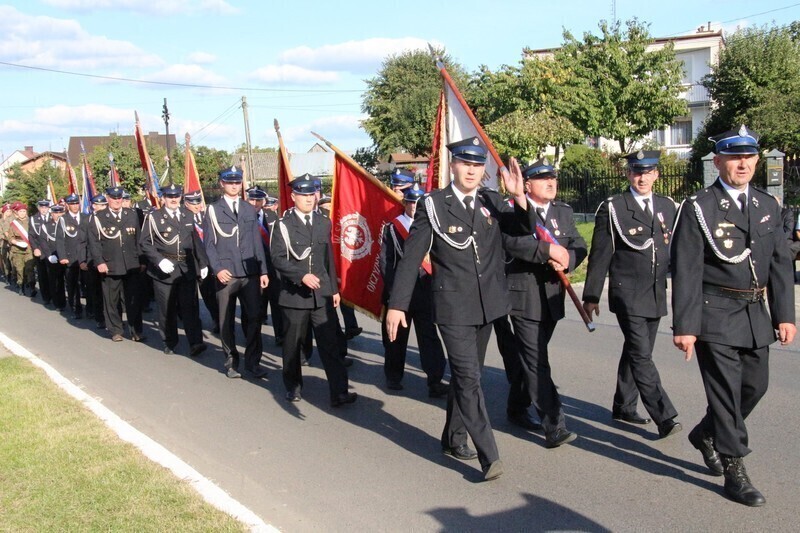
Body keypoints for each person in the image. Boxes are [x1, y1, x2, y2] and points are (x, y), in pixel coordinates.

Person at [385, 137, 532, 481]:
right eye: (466, 164)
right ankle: (489, 456)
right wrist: (397, 305)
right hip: (452, 307)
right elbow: (410, 259)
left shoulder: (492, 201)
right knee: (467, 378)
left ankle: (453, 438)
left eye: (478, 165)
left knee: (470, 378)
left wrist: (519, 197)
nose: (471, 171)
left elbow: (523, 233)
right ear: (453, 166)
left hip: (486, 306)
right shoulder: (433, 205)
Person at [672, 125, 796, 507]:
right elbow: (687, 269)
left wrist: (785, 314)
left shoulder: (766, 205)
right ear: (719, 161)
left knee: (755, 387)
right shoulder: (700, 207)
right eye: (734, 157)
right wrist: (686, 327)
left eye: (749, 157)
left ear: (757, 161)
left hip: (755, 312)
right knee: (725, 393)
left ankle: (707, 433)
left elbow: (779, 262)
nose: (743, 164)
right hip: (716, 314)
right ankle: (734, 468)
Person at [582, 150, 682, 439]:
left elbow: (675, 251)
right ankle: (664, 415)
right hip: (627, 293)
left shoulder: (667, 206)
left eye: (648, 172)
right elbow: (600, 254)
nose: (642, 177)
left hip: (655, 292)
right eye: (636, 172)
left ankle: (624, 405)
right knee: (641, 354)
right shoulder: (614, 206)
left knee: (639, 351)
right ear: (628, 174)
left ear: (656, 175)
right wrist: (591, 296)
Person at [500, 159, 587, 448]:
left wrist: (567, 258)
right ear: (527, 185)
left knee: (531, 359)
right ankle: (555, 424)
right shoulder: (512, 211)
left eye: (553, 178)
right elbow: (513, 243)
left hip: (551, 298)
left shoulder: (563, 211)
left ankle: (515, 407)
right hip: (523, 297)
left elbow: (578, 245)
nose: (551, 183)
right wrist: (546, 252)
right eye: (542, 179)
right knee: (537, 361)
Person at [270, 176, 356, 407]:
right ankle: (293, 386)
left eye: (312, 194)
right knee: (292, 345)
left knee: (331, 345)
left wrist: (334, 289)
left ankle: (339, 391)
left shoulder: (323, 222)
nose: (309, 199)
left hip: (321, 295)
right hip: (294, 296)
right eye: (304, 195)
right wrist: (300, 276)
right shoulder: (283, 225)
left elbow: (327, 258)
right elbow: (277, 259)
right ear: (294, 196)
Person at [380, 183, 449, 398]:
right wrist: (395, 293)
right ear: (405, 203)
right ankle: (393, 376)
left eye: (418, 202)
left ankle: (435, 379)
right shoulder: (393, 228)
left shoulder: (433, 226)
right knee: (396, 337)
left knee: (429, 337)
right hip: (401, 294)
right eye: (411, 201)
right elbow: (386, 262)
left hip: (427, 291)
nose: (414, 206)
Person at [203, 166, 270, 379]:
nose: (234, 185)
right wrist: (217, 269)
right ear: (222, 184)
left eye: (237, 182)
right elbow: (209, 245)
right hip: (226, 273)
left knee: (254, 318)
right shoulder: (213, 210)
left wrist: (263, 270)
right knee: (226, 319)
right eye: (229, 182)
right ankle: (231, 361)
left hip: (249, 273)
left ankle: (253, 361)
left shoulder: (249, 209)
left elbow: (257, 243)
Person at [140, 183, 208, 356]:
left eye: (176, 196)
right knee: (166, 309)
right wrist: (159, 260)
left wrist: (203, 263)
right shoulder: (154, 217)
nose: (173, 200)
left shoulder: (187, 214)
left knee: (190, 307)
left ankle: (196, 342)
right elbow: (145, 243)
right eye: (170, 197)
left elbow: (196, 242)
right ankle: (170, 341)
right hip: (164, 270)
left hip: (186, 268)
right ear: (163, 198)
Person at [87, 186, 146, 342]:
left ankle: (136, 330)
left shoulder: (131, 214)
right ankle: (115, 330)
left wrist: (142, 260)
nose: (117, 201)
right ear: (107, 198)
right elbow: (94, 243)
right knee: (111, 300)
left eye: (119, 198)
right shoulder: (98, 217)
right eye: (114, 198)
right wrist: (99, 262)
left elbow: (138, 239)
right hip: (110, 264)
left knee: (133, 299)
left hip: (131, 263)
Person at [184, 190, 219, 334]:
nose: (197, 205)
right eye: (193, 203)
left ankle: (217, 319)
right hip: (193, 261)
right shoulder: (184, 217)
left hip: (211, 259)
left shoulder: (206, 216)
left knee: (213, 291)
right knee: (201, 293)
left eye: (198, 202)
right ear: (186, 203)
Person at [56, 194, 88, 319]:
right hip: (71, 257)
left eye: (76, 204)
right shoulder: (63, 219)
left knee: (87, 284)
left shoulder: (86, 217)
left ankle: (90, 309)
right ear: (68, 206)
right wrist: (62, 256)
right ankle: (76, 308)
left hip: (84, 257)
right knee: (72, 284)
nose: (75, 206)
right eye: (72, 204)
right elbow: (60, 240)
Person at [40, 204, 67, 310]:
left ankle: (73, 302)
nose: (59, 215)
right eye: (56, 213)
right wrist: (49, 255)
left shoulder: (68, 224)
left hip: (67, 256)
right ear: (52, 214)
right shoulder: (46, 226)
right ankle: (59, 303)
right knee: (56, 281)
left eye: (61, 212)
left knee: (71, 281)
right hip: (54, 256)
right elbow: (43, 242)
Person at [8, 202, 35, 295]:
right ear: (17, 213)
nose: (22, 213)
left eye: (24, 211)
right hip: (17, 250)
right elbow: (10, 237)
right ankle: (21, 286)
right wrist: (15, 242)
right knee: (20, 269)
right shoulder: (13, 224)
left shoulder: (31, 222)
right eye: (21, 211)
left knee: (29, 268)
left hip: (29, 249)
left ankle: (32, 287)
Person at [28, 199, 51, 302]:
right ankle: (46, 297)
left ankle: (56, 297)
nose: (44, 209)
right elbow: (31, 236)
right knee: (42, 275)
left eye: (46, 207)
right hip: (40, 251)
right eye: (42, 207)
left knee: (53, 275)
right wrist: (35, 248)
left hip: (52, 250)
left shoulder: (52, 217)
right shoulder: (33, 219)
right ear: (38, 208)